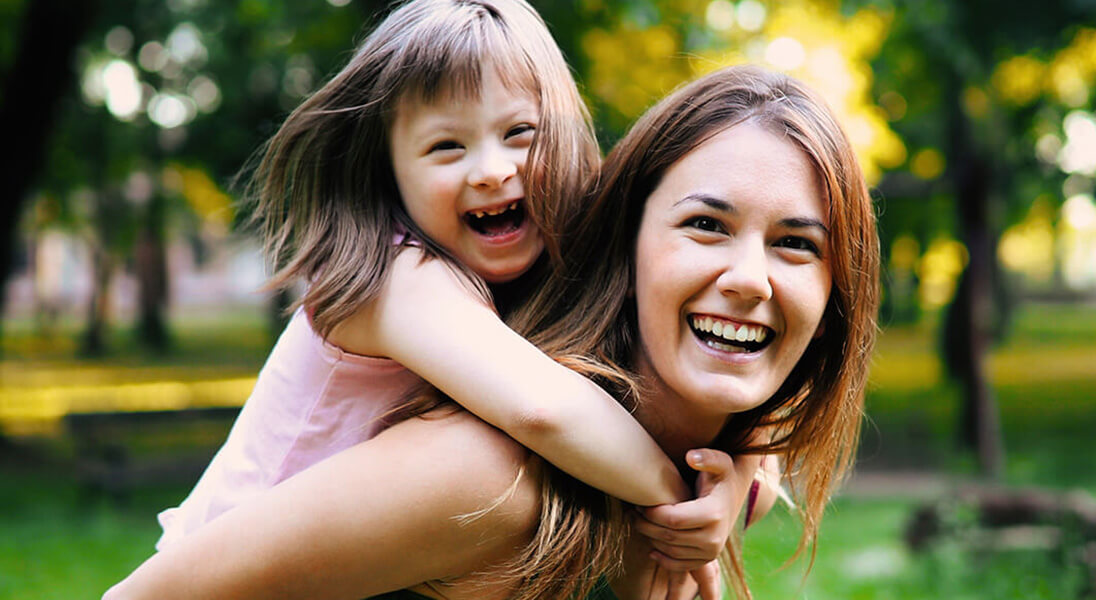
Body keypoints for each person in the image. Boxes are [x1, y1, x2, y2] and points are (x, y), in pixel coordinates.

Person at [105, 64, 879, 600]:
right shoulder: (490, 480)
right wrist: (676, 495)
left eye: (796, 243)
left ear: (836, 293)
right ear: (624, 238)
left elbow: (760, 465)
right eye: (706, 225)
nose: (751, 278)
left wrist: (738, 475)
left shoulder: (716, 480)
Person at [155, 0, 741, 591]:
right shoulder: (390, 274)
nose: (490, 170)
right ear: (390, 174)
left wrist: (731, 483)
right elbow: (545, 410)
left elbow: (719, 414)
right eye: (446, 147)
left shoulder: (540, 269)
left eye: (519, 133)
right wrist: (675, 508)